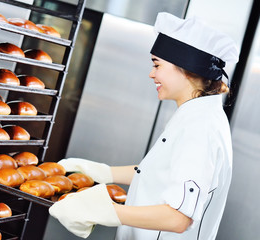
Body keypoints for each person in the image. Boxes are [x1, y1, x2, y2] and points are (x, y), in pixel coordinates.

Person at [49, 12, 239, 240]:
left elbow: (178, 218)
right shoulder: (196, 116)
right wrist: (104, 172)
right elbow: (162, 173)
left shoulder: (200, 128)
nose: (151, 74)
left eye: (157, 65)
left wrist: (108, 212)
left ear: (186, 68)